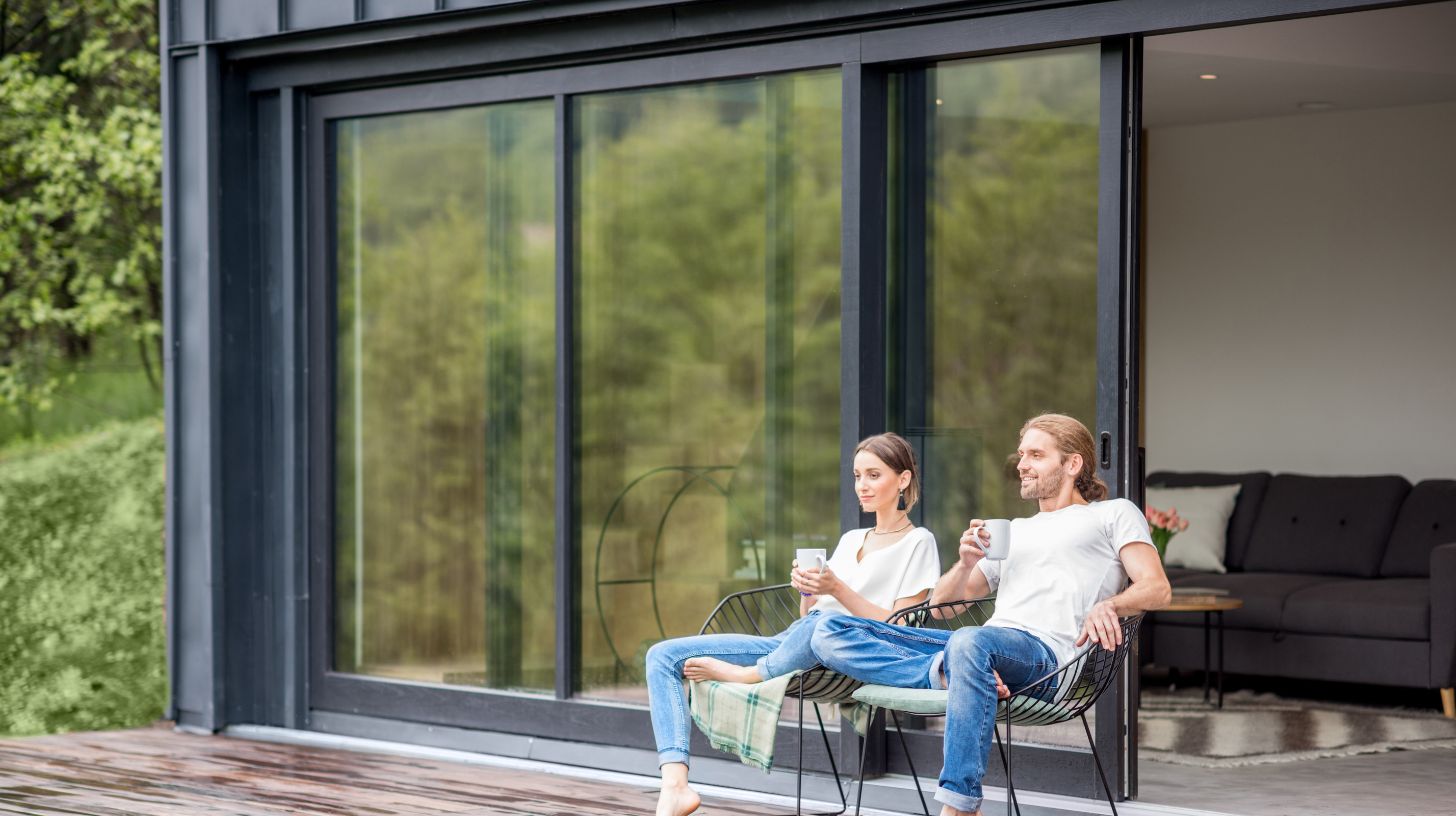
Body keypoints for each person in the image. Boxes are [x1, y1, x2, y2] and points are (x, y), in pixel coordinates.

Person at [809, 413, 1172, 816]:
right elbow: (944, 607)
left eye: (1036, 454)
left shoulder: (1111, 514)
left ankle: (960, 805)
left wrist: (1111, 603)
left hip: (1047, 660)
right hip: (984, 647)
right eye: (1021, 455)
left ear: (1072, 464)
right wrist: (965, 563)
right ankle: (961, 671)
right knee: (829, 630)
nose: (1022, 464)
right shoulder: (1013, 530)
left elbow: (1157, 588)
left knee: (970, 641)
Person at [648, 432, 942, 816]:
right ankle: (674, 786)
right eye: (857, 476)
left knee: (823, 628)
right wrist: (807, 590)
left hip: (845, 651)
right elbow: (808, 617)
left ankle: (747, 675)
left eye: (873, 475)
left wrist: (837, 587)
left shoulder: (919, 541)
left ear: (902, 480)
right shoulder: (854, 536)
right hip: (797, 642)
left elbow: (897, 626)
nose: (862, 486)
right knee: (662, 656)